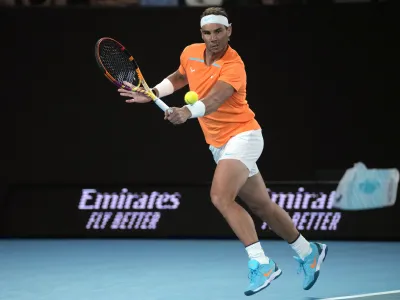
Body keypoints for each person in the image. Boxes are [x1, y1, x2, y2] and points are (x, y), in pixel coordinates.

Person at [118, 6, 328, 296]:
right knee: (261, 206)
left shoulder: (234, 65)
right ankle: (308, 251)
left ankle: (261, 263)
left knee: (220, 196)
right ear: (201, 34)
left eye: (218, 31)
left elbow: (216, 99)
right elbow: (180, 77)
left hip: (244, 136)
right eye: (207, 32)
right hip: (218, 144)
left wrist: (187, 112)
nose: (213, 38)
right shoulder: (191, 52)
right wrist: (152, 93)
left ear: (229, 30)